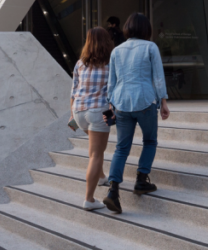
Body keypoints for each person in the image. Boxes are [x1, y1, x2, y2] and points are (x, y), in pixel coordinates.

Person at [102, 12, 170, 214]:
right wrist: (164, 101)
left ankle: (113, 191)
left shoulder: (117, 50)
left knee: (121, 148)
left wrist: (111, 103)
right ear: (145, 29)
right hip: (145, 101)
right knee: (149, 141)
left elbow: (111, 82)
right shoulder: (150, 47)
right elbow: (158, 77)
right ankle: (141, 180)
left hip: (121, 102)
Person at [69, 26, 114, 211]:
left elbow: (73, 91)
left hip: (79, 112)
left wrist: (72, 115)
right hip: (98, 111)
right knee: (96, 154)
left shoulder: (80, 63)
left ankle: (102, 177)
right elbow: (114, 90)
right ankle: (89, 199)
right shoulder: (110, 63)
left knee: (95, 150)